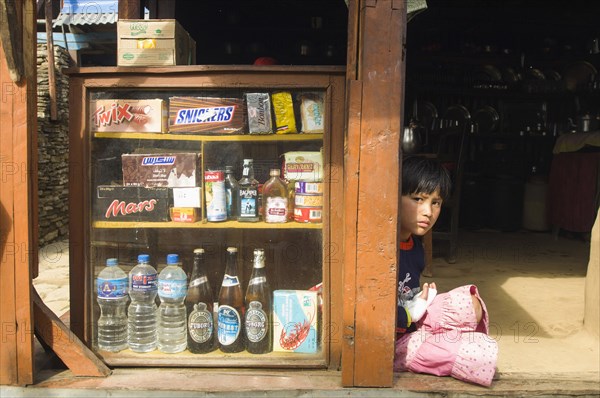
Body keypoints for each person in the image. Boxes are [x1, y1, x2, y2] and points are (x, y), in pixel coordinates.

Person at [394, 156, 498, 387]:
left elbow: (408, 292)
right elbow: (373, 309)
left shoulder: (417, 247)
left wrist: (420, 300)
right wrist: (410, 313)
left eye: (436, 202)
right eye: (418, 199)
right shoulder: (381, 249)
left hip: (413, 316)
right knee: (472, 355)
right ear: (393, 196)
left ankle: (431, 336)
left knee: (472, 306)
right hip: (393, 336)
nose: (428, 212)